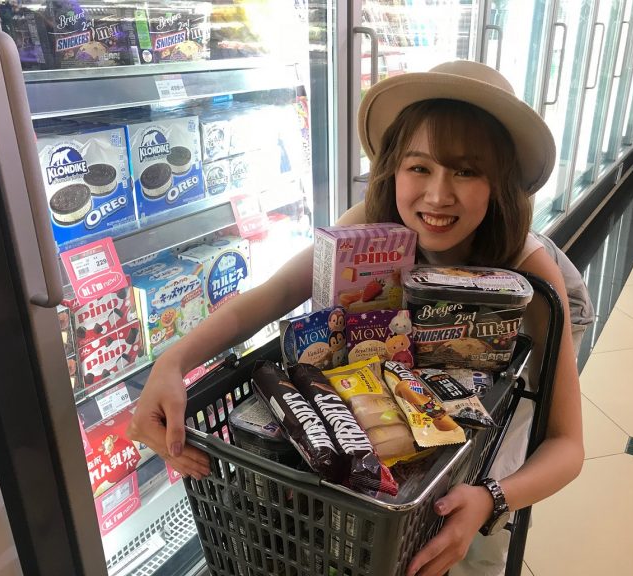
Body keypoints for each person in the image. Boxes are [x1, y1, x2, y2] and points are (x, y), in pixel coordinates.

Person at [127, 60, 585, 576]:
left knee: (481, 529)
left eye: (466, 171)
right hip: (402, 388)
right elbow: (275, 293)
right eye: (419, 167)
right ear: (393, 169)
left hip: (505, 382)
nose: (438, 195)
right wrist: (173, 361)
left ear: (499, 182)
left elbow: (567, 445)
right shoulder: (372, 225)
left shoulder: (529, 275)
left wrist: (492, 499)